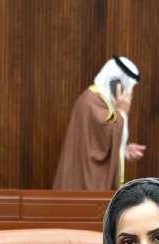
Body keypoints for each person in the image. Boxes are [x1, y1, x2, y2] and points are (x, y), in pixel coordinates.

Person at [53, 56, 146, 190]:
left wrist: (123, 150)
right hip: (83, 181)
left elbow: (98, 142)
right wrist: (122, 112)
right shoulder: (91, 101)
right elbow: (103, 137)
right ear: (116, 83)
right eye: (125, 87)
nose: (127, 92)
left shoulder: (100, 102)